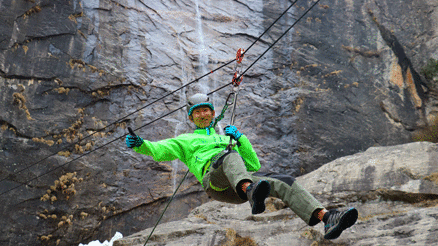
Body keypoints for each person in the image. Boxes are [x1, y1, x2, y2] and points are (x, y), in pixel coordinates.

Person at [126, 93, 358, 240]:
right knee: (228, 157)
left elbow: (253, 164)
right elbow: (159, 149)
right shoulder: (184, 141)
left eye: (206, 109)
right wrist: (140, 144)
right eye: (197, 111)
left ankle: (327, 218)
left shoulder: (225, 137)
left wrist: (240, 137)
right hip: (214, 182)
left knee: (284, 180)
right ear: (191, 118)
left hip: (240, 184)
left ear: (213, 113)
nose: (203, 114)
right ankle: (251, 191)